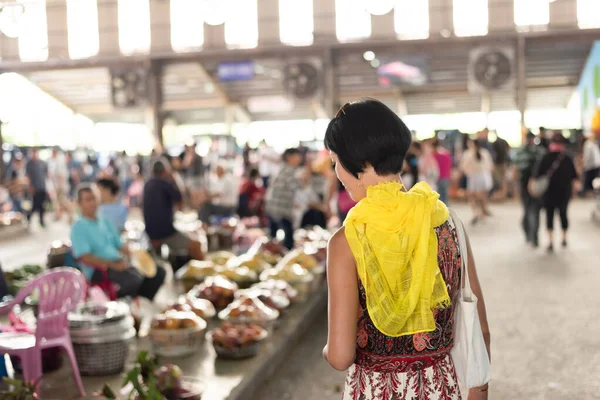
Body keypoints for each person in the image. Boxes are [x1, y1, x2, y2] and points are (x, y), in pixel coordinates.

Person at [323, 99, 490, 399]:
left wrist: (327, 348)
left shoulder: (347, 240)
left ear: (358, 164)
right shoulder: (448, 221)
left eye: (335, 161)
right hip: (441, 388)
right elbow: (479, 325)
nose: (336, 171)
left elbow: (339, 356)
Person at [71, 185, 166, 300]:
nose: (92, 203)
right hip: (99, 269)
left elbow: (119, 244)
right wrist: (113, 265)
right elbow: (85, 257)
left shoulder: (104, 220)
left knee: (158, 272)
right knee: (134, 280)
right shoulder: (78, 227)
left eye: (94, 198)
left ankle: (139, 302)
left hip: (118, 261)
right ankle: (122, 303)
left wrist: (137, 255)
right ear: (79, 204)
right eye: (88, 200)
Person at [143, 159, 204, 261]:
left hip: (150, 232)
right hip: (165, 232)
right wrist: (175, 179)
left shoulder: (147, 184)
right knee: (196, 245)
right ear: (166, 171)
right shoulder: (166, 183)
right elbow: (181, 205)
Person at [531, 134, 579, 252]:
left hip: (549, 192)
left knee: (549, 215)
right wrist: (574, 190)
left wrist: (532, 186)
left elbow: (536, 175)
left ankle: (551, 241)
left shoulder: (545, 157)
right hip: (564, 191)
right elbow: (574, 176)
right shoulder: (567, 158)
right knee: (563, 214)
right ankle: (564, 237)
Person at [265, 148, 303, 249]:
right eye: (296, 156)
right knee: (288, 237)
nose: (299, 159)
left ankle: (273, 254)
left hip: (274, 207)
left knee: (273, 236)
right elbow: (296, 186)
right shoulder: (289, 170)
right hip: (281, 209)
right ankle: (286, 257)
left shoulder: (281, 168)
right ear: (289, 157)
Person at [514, 131, 546, 247]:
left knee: (531, 211)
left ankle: (532, 235)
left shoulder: (522, 152)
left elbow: (515, 170)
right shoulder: (539, 152)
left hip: (531, 185)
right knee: (530, 211)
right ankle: (531, 234)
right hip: (530, 185)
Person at [460, 139, 494, 225]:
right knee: (482, 196)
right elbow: (490, 166)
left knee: (472, 196)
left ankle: (476, 212)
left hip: (473, 177)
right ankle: (482, 212)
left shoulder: (468, 154)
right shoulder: (484, 152)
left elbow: (463, 166)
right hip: (483, 176)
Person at [47, 147, 73, 222]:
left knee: (63, 201)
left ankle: (71, 213)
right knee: (58, 202)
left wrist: (59, 187)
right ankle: (58, 215)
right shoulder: (56, 161)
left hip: (60, 186)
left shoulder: (60, 161)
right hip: (58, 186)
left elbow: (60, 175)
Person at [25, 148, 47, 228]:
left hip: (42, 186)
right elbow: (28, 176)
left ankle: (41, 221)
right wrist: (30, 187)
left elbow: (46, 174)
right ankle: (28, 217)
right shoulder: (29, 164)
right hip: (34, 188)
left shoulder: (42, 163)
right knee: (34, 205)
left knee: (42, 205)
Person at [432, 138, 452, 204]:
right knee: (444, 195)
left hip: (438, 177)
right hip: (445, 176)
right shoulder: (446, 153)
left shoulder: (433, 155)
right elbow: (449, 165)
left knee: (439, 196)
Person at [492, 134, 510, 199]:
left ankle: (503, 194)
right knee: (503, 180)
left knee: (501, 180)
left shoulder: (495, 143)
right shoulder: (503, 141)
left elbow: (493, 154)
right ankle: (503, 194)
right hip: (503, 163)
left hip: (499, 163)